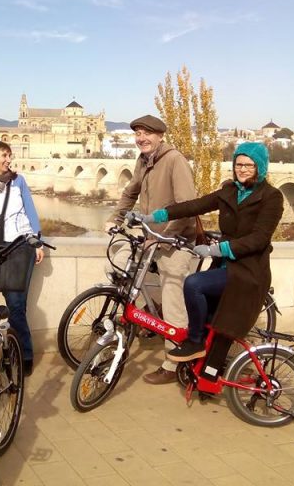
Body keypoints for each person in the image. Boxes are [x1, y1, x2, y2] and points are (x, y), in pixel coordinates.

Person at [134, 142, 283, 362]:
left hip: (249, 269)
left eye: (249, 165)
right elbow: (195, 206)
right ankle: (202, 356)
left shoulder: (272, 197)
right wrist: (154, 216)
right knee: (206, 313)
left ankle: (195, 342)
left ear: (260, 167)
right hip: (226, 266)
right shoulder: (230, 191)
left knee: (194, 284)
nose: (242, 169)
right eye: (238, 164)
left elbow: (259, 239)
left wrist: (217, 249)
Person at [105, 114, 197, 385]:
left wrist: (167, 236)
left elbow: (187, 206)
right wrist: (116, 217)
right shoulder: (144, 161)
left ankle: (173, 363)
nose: (141, 139)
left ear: (159, 136)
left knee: (172, 299)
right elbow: (131, 191)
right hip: (152, 237)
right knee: (117, 269)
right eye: (138, 134)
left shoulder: (174, 160)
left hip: (176, 242)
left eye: (146, 134)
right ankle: (152, 314)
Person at [0, 140, 43, 377]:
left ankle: (23, 354)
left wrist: (37, 240)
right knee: (14, 303)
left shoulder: (19, 181)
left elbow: (30, 210)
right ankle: (15, 349)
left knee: (16, 303)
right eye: (3, 155)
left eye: (9, 155)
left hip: (23, 245)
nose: (8, 159)